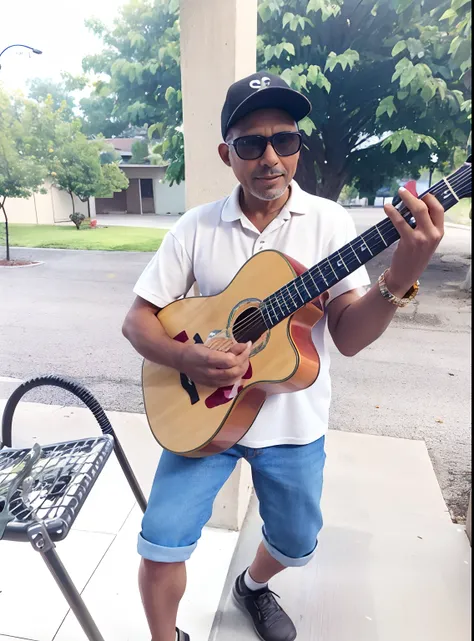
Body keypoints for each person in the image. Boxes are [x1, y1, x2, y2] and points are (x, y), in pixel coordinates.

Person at [122, 71, 444, 641]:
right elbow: (138, 321)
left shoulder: (330, 223)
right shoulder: (196, 227)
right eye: (251, 144)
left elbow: (345, 335)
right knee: (159, 540)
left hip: (294, 425)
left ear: (298, 147)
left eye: (285, 140)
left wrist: (402, 276)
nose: (270, 157)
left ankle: (251, 586)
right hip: (204, 419)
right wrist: (191, 361)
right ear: (228, 154)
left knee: (296, 543)